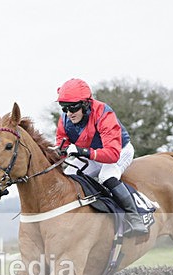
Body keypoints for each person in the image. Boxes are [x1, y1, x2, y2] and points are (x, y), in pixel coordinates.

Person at [55, 78, 148, 236]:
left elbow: (112, 154)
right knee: (68, 176)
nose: (69, 113)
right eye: (64, 108)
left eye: (73, 107)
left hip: (119, 151)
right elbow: (61, 142)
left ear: (85, 103)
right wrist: (59, 151)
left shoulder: (104, 114)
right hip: (92, 154)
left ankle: (135, 218)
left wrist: (82, 151)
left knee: (107, 176)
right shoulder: (65, 119)